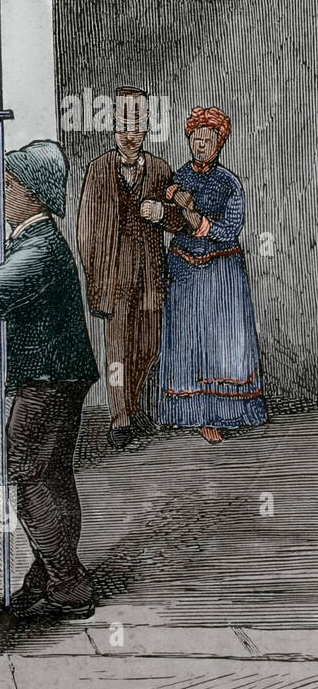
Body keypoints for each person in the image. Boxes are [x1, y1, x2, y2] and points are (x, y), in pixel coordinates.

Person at [0, 140, 99, 618]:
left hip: (48, 380)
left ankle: (67, 582)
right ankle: (50, 576)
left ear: (35, 195)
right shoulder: (34, 242)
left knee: (27, 475)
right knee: (52, 475)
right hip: (60, 376)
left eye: (6, 184)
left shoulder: (40, 247)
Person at [140, 107, 266, 443]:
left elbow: (229, 230)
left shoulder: (229, 183)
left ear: (219, 144)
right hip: (184, 267)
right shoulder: (179, 176)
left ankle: (223, 413)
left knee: (221, 341)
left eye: (207, 141)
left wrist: (197, 219)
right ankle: (190, 413)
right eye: (196, 140)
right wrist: (165, 209)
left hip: (220, 271)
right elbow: (172, 217)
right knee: (186, 340)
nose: (200, 146)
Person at [77, 87, 173, 449]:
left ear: (147, 129)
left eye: (136, 127)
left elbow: (179, 219)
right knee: (117, 349)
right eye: (122, 128)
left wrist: (163, 213)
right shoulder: (99, 170)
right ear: (113, 128)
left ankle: (132, 406)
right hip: (115, 275)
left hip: (150, 273)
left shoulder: (161, 170)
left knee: (148, 346)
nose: (129, 136)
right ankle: (120, 419)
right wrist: (96, 274)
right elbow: (85, 228)